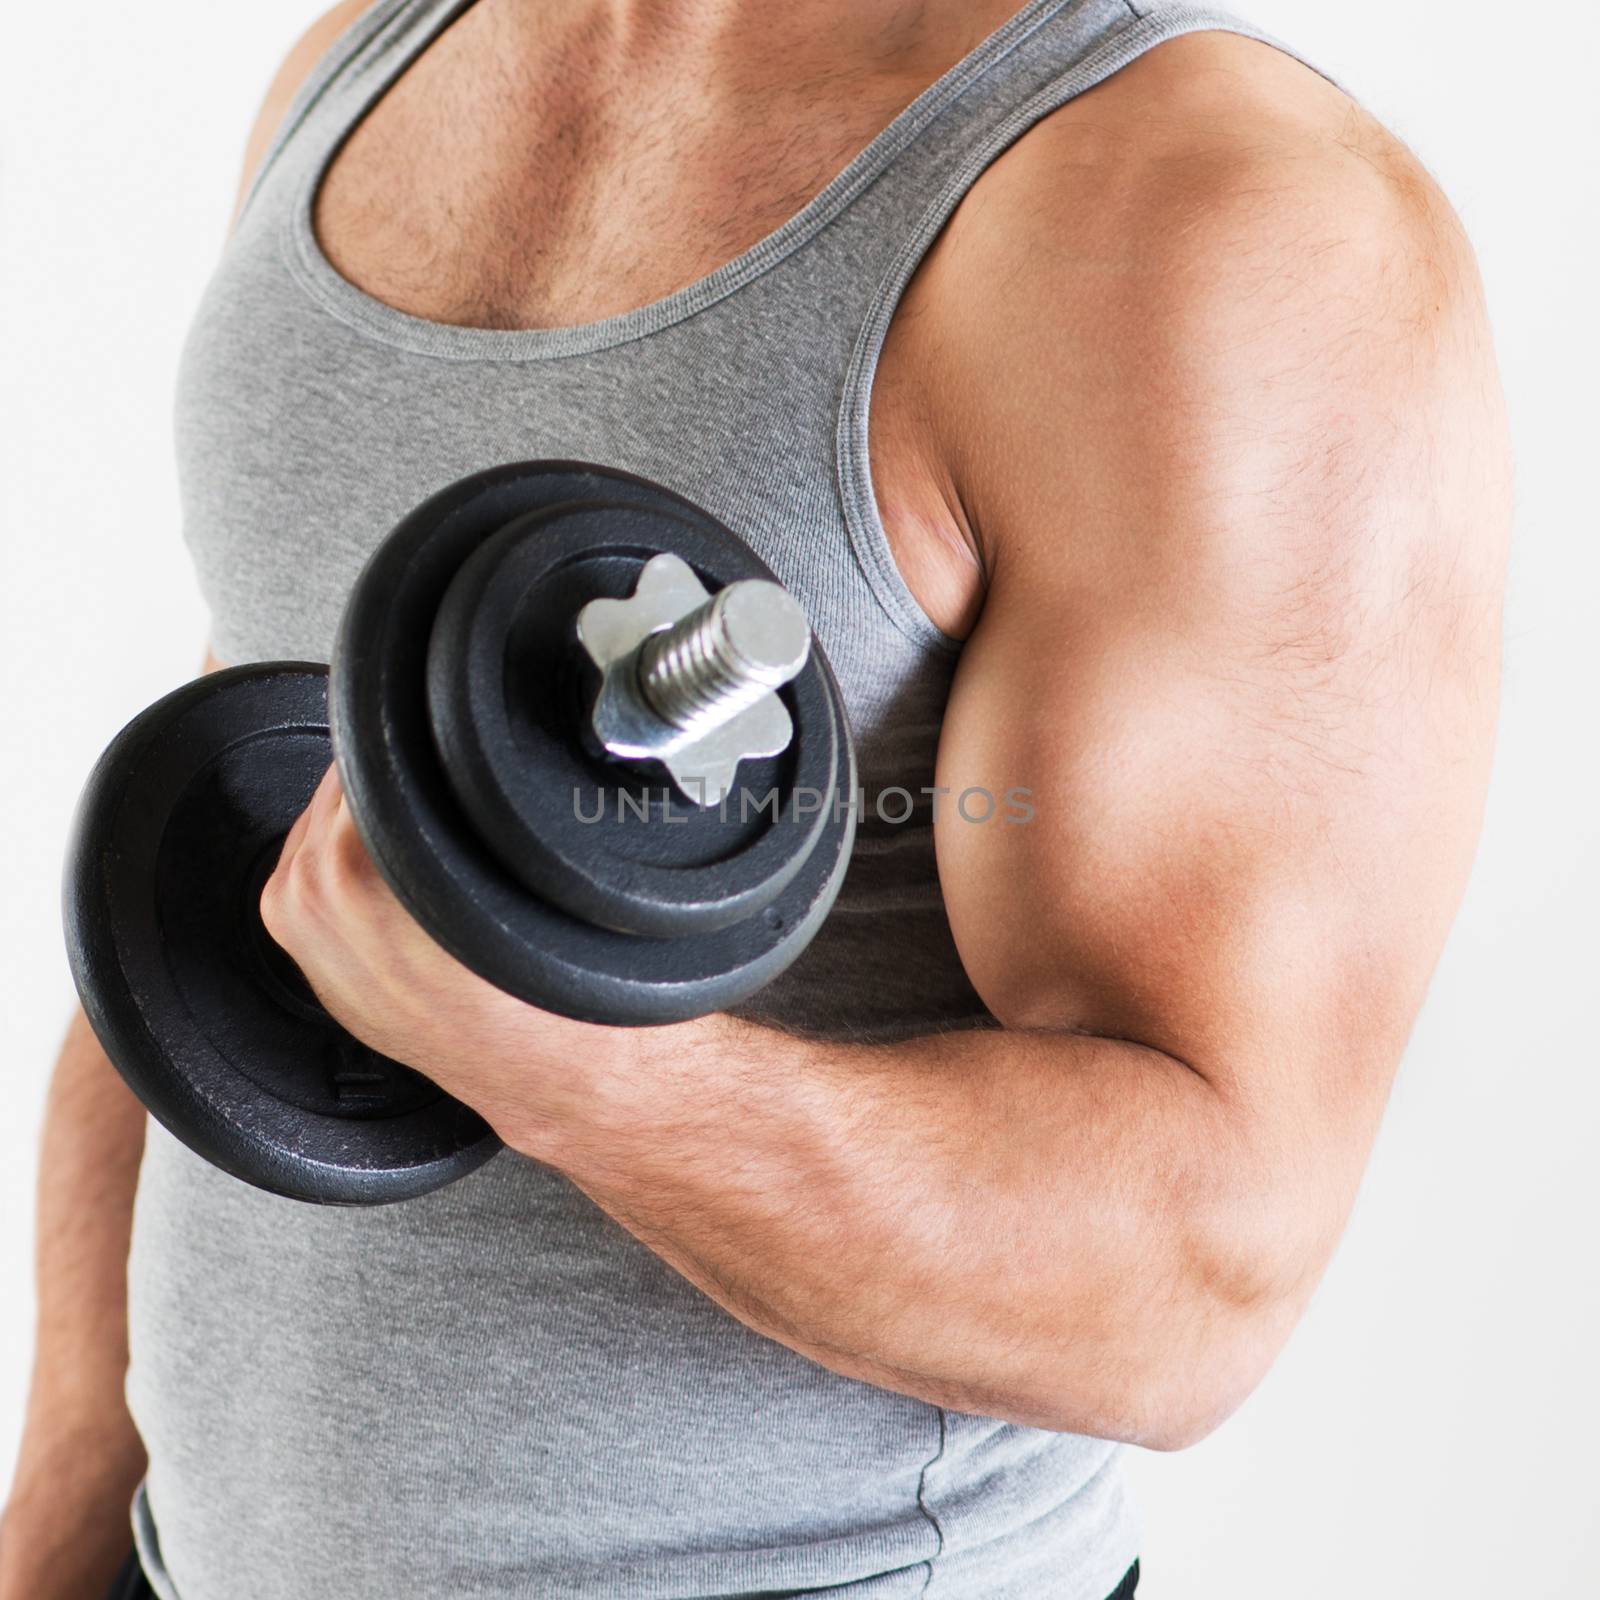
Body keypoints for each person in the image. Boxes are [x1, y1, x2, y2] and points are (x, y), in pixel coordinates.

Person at [0, 1, 1509, 1597]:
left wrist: (571, 1067)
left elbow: (1199, 1268)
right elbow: (223, 868)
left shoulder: (1205, 214)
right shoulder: (363, 72)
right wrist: (63, 1516)